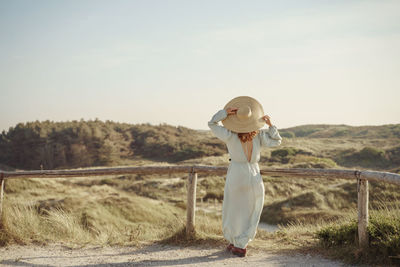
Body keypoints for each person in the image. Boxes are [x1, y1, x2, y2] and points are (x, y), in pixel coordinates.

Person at [207, 96, 282, 257]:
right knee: (252, 208)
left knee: (234, 208)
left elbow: (211, 124)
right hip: (254, 172)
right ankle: (240, 243)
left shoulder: (229, 135)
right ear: (254, 119)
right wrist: (270, 126)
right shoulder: (259, 136)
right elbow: (276, 141)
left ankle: (234, 241)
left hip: (236, 172)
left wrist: (224, 114)